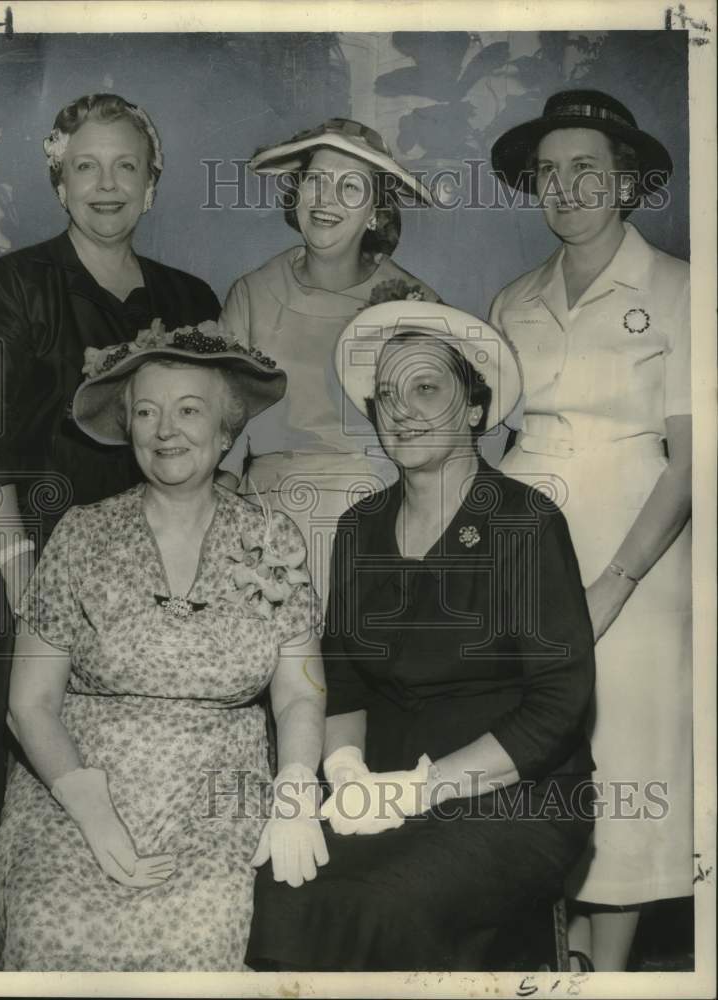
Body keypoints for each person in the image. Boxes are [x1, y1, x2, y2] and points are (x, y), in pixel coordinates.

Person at [245, 300, 596, 972]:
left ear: (473, 408)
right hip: (378, 791)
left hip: (515, 796)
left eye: (425, 388)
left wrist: (419, 789)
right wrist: (344, 772)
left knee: (388, 904)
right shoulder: (359, 528)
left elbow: (559, 705)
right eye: (384, 395)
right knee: (280, 892)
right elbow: (341, 677)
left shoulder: (524, 522)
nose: (400, 409)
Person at [0, 93, 219, 966]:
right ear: (57, 177)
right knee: (9, 791)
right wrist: (32, 591)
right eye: (86, 166)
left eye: (126, 167)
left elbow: (204, 448)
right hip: (18, 569)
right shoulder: (10, 285)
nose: (107, 184)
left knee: (128, 787)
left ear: (153, 184)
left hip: (144, 580)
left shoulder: (189, 296)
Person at [0, 321, 328, 971]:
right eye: (146, 412)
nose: (165, 428)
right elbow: (28, 705)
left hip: (212, 801)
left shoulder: (272, 539)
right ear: (129, 430)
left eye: (188, 410)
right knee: (51, 932)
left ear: (226, 430)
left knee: (199, 939)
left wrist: (294, 789)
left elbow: (297, 693)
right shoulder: (82, 535)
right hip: (73, 794)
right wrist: (88, 806)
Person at [489, 89, 692, 971]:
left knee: (625, 744)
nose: (564, 188)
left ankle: (608, 971)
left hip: (637, 550)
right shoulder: (512, 301)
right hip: (529, 540)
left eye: (585, 169)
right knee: (538, 740)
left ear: (625, 183)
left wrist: (614, 581)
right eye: (548, 173)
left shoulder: (683, 289)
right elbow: (493, 442)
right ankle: (557, 948)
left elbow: (693, 461)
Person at [216, 118, 441, 603]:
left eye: (349, 187)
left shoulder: (413, 302)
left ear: (377, 212)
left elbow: (438, 440)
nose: (325, 199)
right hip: (264, 515)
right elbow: (224, 432)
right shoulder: (253, 293)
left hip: (379, 510)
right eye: (315, 180)